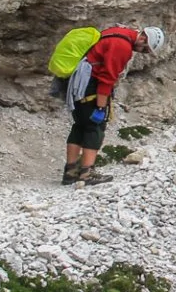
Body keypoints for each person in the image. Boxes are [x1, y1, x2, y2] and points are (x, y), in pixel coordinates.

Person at [62, 25, 164, 186]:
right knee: (94, 127)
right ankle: (86, 173)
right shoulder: (122, 47)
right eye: (145, 50)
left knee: (80, 125)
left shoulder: (117, 31)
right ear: (143, 39)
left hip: (78, 83)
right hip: (91, 86)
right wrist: (101, 108)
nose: (142, 52)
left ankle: (70, 172)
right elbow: (107, 78)